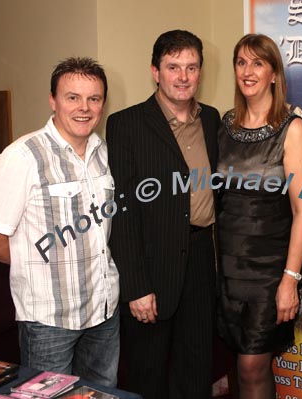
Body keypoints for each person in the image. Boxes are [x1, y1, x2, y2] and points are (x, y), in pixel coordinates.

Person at [0, 57, 119, 386]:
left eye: (93, 99)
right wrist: (28, 261)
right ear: (53, 100)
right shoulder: (22, 156)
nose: (84, 108)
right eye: (72, 97)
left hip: (103, 310)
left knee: (101, 394)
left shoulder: (104, 152)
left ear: (102, 104)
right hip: (49, 318)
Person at [106, 30, 220, 399]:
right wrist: (136, 287)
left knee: (196, 371)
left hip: (202, 261)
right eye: (173, 67)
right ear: (156, 72)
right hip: (152, 268)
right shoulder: (126, 124)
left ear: (200, 72)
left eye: (191, 67)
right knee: (148, 376)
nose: (183, 76)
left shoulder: (213, 120)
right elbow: (121, 212)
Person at [216, 33, 302, 398]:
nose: (248, 71)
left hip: (268, 272)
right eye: (241, 62)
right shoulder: (225, 126)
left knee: (252, 365)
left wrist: (290, 279)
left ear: (274, 72)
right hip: (226, 270)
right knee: (239, 364)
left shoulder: (293, 128)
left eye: (257, 63)